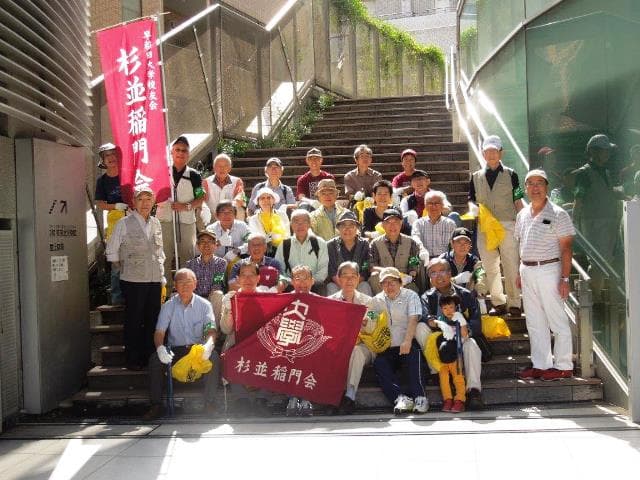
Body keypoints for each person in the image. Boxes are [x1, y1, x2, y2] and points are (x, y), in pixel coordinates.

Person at [515, 169, 576, 381]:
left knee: (557, 319)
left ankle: (564, 365)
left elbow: (566, 248)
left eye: (539, 183)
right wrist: (519, 271)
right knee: (534, 321)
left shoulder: (559, 214)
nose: (535, 187)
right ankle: (541, 364)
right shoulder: (522, 214)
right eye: (530, 183)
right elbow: (520, 244)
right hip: (527, 270)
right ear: (525, 188)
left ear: (546, 186)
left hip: (550, 270)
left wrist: (565, 278)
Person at [144, 268, 219, 420]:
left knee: (214, 357)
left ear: (195, 284)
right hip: (175, 350)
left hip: (197, 350)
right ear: (175, 285)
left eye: (188, 282)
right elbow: (159, 332)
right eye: (181, 282)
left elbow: (211, 330)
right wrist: (160, 348)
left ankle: (210, 403)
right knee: (155, 360)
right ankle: (156, 405)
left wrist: (209, 345)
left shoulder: (205, 305)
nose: (185, 286)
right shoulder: (168, 306)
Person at [106, 185, 164, 370]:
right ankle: (133, 359)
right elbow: (112, 251)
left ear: (153, 202)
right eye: (140, 199)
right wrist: (125, 267)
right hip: (133, 280)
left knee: (153, 319)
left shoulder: (156, 223)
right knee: (134, 319)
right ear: (133, 202)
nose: (145, 203)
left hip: (154, 279)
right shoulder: (123, 223)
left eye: (148, 199)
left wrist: (162, 275)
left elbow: (160, 252)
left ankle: (150, 358)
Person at [418, 258, 484, 410]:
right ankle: (438, 371)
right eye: (433, 273)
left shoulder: (465, 294)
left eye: (442, 271)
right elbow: (425, 317)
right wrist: (436, 323)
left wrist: (466, 329)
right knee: (420, 328)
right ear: (429, 277)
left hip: (461, 336)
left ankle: (473, 390)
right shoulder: (426, 296)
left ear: (450, 273)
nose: (438, 276)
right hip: (439, 337)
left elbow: (476, 321)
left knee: (472, 345)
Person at [468, 134, 524, 316]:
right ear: (483, 154)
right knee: (490, 265)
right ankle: (498, 302)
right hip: (485, 226)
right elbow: (471, 200)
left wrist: (523, 221)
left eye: (494, 151)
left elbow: (518, 199)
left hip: (507, 224)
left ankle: (515, 303)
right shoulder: (475, 177)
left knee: (511, 264)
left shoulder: (511, 174)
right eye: (487, 151)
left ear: (501, 153)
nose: (491, 154)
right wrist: (474, 211)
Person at [370, 267, 428, 414]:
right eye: (385, 283)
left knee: (414, 355)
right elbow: (371, 318)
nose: (389, 286)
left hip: (407, 342)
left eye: (392, 282)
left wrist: (407, 341)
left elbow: (414, 318)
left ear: (400, 282)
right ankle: (400, 398)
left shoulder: (411, 295)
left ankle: (420, 397)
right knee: (379, 363)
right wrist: (367, 320)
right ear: (380, 285)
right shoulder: (376, 300)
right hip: (387, 346)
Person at [572, 134, 625, 296]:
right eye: (604, 150)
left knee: (608, 262)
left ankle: (596, 297)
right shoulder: (584, 173)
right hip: (594, 224)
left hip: (610, 224)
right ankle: (592, 298)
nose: (607, 153)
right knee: (598, 263)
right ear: (593, 151)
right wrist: (574, 223)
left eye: (608, 150)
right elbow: (578, 198)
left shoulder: (605, 172)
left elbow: (605, 193)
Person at [219, 262, 270, 413]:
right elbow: (226, 329)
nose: (247, 279)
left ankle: (262, 399)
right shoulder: (230, 297)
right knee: (229, 356)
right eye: (243, 275)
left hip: (261, 343)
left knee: (275, 353)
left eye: (251, 275)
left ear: (258, 278)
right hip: (237, 343)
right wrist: (229, 310)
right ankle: (242, 400)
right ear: (238, 279)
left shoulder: (267, 297)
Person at [155, 136, 205, 289]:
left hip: (186, 221)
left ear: (188, 154)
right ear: (172, 152)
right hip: (165, 220)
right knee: (164, 256)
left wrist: (186, 206)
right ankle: (166, 290)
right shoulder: (162, 172)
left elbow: (201, 197)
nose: (180, 153)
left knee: (187, 257)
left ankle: (186, 288)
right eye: (177, 150)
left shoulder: (194, 175)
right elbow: (152, 194)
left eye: (184, 150)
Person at [328, 261, 374, 414]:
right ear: (338, 279)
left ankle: (350, 396)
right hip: (339, 345)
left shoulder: (369, 301)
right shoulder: (330, 301)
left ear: (358, 278)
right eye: (345, 276)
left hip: (364, 345)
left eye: (353, 276)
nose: (349, 280)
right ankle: (333, 396)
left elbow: (373, 327)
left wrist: (366, 322)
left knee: (356, 351)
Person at [94, 142, 127, 305]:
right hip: (114, 221)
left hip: (132, 218)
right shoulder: (102, 181)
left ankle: (132, 295)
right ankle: (117, 298)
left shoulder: (127, 175)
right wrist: (115, 206)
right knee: (116, 260)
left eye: (113, 153)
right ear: (103, 160)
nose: (111, 157)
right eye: (107, 155)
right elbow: (100, 204)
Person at [285, 265, 318, 416]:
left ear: (312, 281)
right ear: (292, 281)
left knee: (310, 351)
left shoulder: (321, 301)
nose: (302, 282)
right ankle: (292, 397)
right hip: (288, 342)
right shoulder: (283, 300)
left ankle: (306, 398)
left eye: (306, 278)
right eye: (298, 278)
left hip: (311, 344)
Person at [369, 209, 427, 294]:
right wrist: (391, 274)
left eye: (396, 222)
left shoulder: (411, 242)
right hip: (384, 281)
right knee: (374, 276)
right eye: (388, 222)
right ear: (383, 225)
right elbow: (372, 267)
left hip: (404, 282)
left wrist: (409, 277)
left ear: (401, 224)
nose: (392, 226)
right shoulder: (375, 243)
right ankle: (381, 301)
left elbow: (414, 264)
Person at [428, 295, 468, 413]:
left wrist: (462, 323)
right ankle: (447, 399)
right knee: (443, 378)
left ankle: (460, 399)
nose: (449, 311)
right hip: (443, 353)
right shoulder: (441, 318)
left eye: (451, 307)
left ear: (456, 307)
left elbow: (465, 335)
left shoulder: (459, 317)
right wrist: (440, 323)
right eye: (445, 308)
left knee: (458, 377)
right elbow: (432, 322)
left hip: (456, 354)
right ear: (441, 309)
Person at [275, 209, 329, 294]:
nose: (300, 225)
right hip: (291, 285)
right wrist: (293, 282)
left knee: (320, 286)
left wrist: (308, 282)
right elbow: (279, 269)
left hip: (313, 284)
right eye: (296, 221)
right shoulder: (284, 244)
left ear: (310, 224)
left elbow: (323, 270)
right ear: (291, 224)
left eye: (304, 221)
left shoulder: (320, 243)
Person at [185, 230, 227, 325]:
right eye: (202, 241)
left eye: (210, 241)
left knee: (218, 294)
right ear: (197, 245)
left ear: (215, 245)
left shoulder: (221, 263)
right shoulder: (190, 264)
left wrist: (206, 303)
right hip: (196, 299)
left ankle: (214, 330)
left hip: (212, 299)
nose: (206, 244)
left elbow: (217, 283)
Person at [326, 211, 372, 296]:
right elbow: (331, 270)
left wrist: (353, 285)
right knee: (331, 287)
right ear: (338, 228)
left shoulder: (365, 244)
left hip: (358, 282)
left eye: (351, 225)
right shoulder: (331, 245)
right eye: (343, 225)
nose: (347, 229)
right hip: (338, 283)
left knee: (365, 286)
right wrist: (344, 286)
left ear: (357, 228)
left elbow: (365, 266)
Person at [439, 227, 487, 296]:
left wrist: (480, 291)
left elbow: (481, 278)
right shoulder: (442, 260)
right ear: (452, 244)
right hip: (446, 298)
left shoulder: (475, 261)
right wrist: (455, 280)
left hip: (467, 298)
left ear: (470, 245)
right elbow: (435, 283)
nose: (462, 246)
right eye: (459, 242)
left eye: (466, 242)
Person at [411, 190, 457, 259]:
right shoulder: (418, 223)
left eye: (437, 203)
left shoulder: (450, 224)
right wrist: (422, 250)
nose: (433, 206)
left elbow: (454, 245)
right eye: (430, 203)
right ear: (425, 206)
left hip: (444, 260)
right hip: (424, 258)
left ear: (442, 206)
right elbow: (415, 239)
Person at [247, 187, 290, 255]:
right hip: (264, 251)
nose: (266, 200)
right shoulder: (253, 219)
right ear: (258, 202)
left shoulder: (282, 215)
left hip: (283, 249)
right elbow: (257, 239)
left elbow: (287, 234)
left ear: (273, 200)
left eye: (269, 198)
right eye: (262, 198)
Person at [203, 153, 245, 221]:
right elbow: (200, 198)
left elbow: (242, 197)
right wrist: (204, 208)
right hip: (212, 215)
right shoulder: (205, 182)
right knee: (201, 211)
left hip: (230, 214)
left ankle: (238, 228)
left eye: (225, 166)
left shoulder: (237, 181)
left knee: (240, 210)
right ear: (214, 168)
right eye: (219, 166)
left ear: (229, 168)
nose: (222, 168)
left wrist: (229, 209)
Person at [206, 201, 250, 265]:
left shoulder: (242, 226)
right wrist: (218, 243)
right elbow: (204, 249)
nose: (226, 215)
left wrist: (238, 250)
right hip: (216, 262)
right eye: (223, 212)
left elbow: (251, 242)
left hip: (238, 261)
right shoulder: (211, 229)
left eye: (230, 211)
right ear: (216, 215)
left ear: (235, 215)